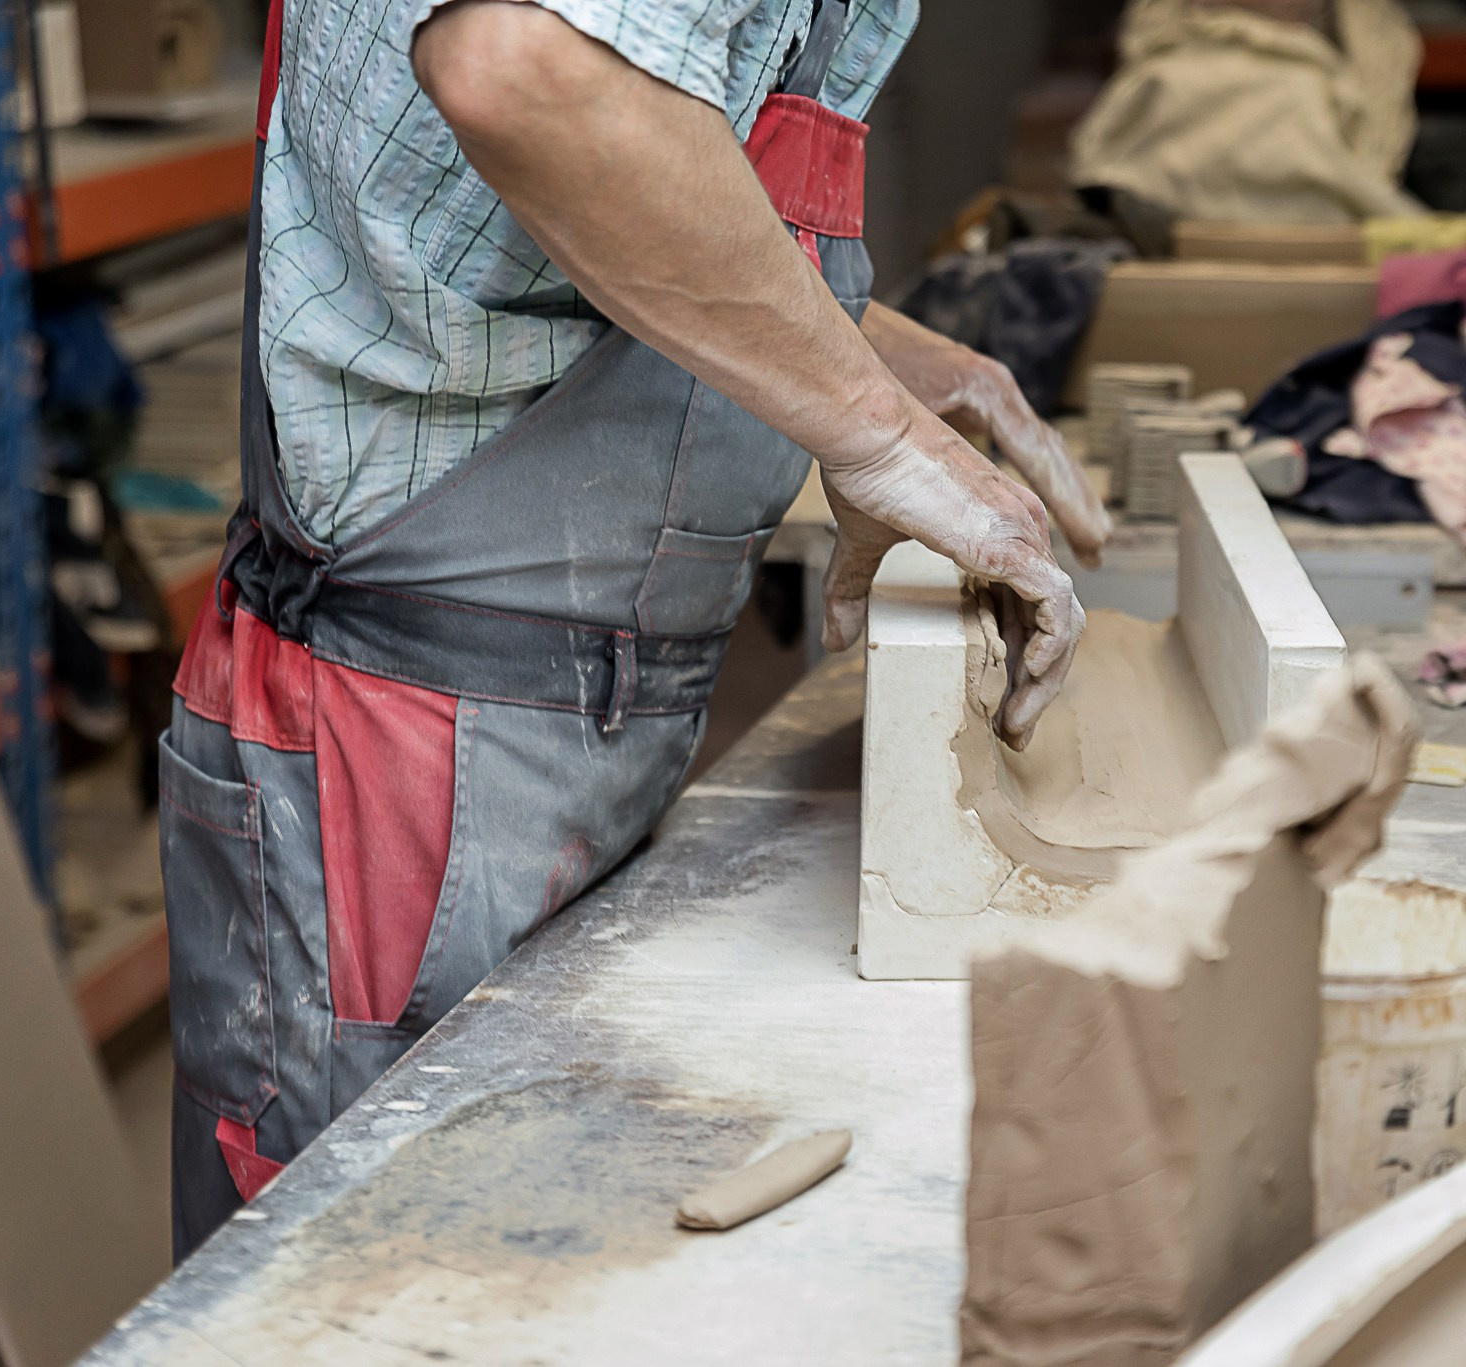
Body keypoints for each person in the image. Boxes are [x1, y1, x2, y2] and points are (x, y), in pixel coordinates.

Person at [160, 0, 1109, 1259]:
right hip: (395, 741)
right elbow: (528, 73)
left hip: (556, 713)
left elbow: (554, 211)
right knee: (381, 1278)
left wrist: (864, 366)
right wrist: (873, 436)